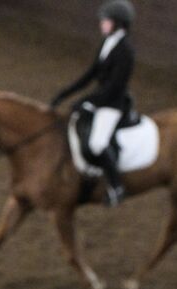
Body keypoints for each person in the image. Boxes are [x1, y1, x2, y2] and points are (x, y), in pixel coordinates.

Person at [51, 0, 136, 206]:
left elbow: (114, 87)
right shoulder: (107, 43)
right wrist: (65, 93)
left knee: (97, 144)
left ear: (118, 23)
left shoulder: (125, 51)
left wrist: (87, 101)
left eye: (106, 21)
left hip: (113, 104)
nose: (101, 24)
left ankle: (117, 187)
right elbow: (91, 74)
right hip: (101, 98)